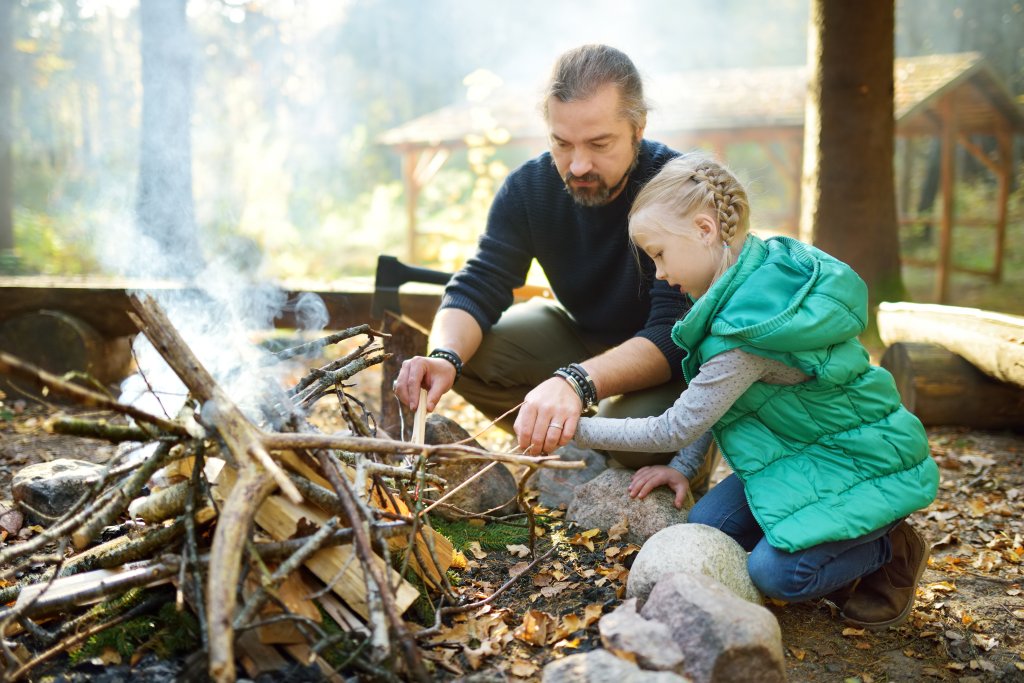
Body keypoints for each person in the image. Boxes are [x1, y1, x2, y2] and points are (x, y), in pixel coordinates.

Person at [570, 153, 939, 629]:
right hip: (796, 452)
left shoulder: (750, 329)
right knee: (706, 531)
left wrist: (573, 427)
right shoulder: (744, 281)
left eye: (659, 253)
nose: (658, 272)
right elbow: (723, 401)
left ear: (705, 229)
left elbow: (677, 423)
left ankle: (891, 547)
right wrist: (683, 467)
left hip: (857, 460)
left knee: (777, 576)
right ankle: (833, 541)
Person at [394, 44, 717, 496]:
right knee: (468, 358)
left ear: (638, 128)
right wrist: (443, 355)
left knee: (634, 444)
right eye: (561, 143)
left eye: (599, 144)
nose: (578, 165)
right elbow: (481, 281)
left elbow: (671, 332)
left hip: (673, 363)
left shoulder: (677, 186)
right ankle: (568, 440)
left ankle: (637, 447)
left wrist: (576, 381)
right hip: (582, 336)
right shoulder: (529, 188)